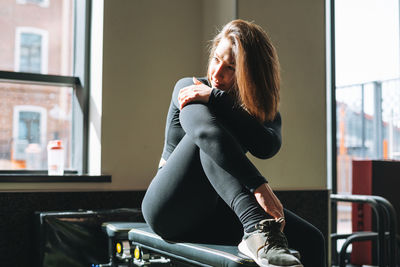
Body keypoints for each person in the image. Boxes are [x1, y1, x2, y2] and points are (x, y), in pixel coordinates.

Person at [142, 19, 326, 267]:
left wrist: (219, 100)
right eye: (216, 60)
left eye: (231, 67)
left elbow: (267, 146)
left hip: (214, 210)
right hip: (168, 208)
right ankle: (255, 230)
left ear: (251, 73)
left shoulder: (246, 106)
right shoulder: (190, 88)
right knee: (213, 131)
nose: (217, 74)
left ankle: (256, 234)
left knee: (312, 240)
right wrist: (259, 186)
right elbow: (208, 134)